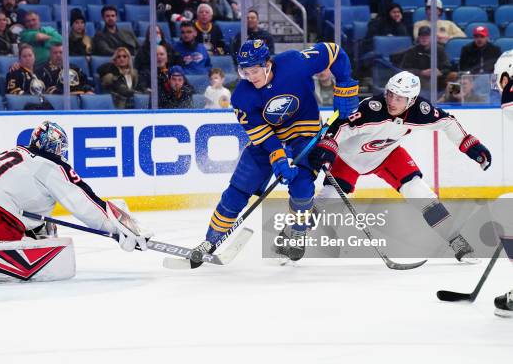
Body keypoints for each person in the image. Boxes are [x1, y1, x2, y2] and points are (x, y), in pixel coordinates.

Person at [191, 39, 359, 264]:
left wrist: (345, 86)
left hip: (304, 130)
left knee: (302, 185)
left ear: (267, 63)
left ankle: (297, 234)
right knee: (238, 190)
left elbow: (335, 52)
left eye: (255, 70)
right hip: (269, 138)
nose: (251, 77)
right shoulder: (241, 96)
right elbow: (264, 137)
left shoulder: (294, 62)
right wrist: (277, 157)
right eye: (245, 71)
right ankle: (210, 240)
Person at [0, 121, 151, 284]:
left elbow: (20, 200)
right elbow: (84, 202)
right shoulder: (50, 165)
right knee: (31, 247)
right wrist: (118, 227)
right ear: (54, 146)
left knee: (35, 227)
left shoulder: (17, 152)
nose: (61, 153)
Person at [313, 71, 491, 263]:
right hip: (349, 159)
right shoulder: (370, 109)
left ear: (411, 100)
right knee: (327, 199)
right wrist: (329, 147)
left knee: (421, 193)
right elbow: (339, 127)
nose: (392, 101)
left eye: (399, 98)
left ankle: (456, 241)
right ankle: (291, 236)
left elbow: (448, 122)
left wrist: (469, 144)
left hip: (387, 154)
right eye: (390, 94)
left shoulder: (420, 111)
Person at [400, 26, 457, 95]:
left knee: (454, 76)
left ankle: (453, 98)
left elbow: (447, 66)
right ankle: (428, 102)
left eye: (427, 36)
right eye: (422, 36)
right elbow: (404, 69)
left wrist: (440, 72)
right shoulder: (412, 51)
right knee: (427, 81)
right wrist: (421, 72)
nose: (424, 38)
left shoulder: (439, 49)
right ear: (418, 38)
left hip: (439, 78)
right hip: (419, 79)